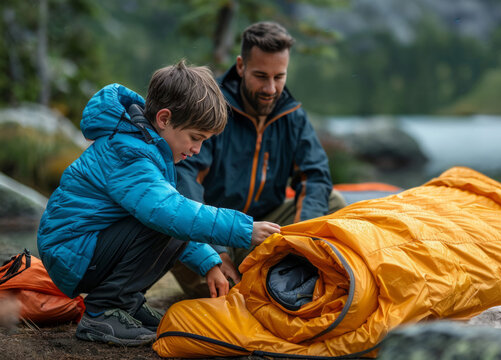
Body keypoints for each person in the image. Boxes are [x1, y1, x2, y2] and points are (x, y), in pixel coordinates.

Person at [37, 60, 280, 346]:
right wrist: (244, 229)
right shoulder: (129, 153)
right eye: (195, 138)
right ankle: (103, 312)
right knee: (167, 219)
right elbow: (169, 213)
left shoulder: (144, 145)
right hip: (73, 251)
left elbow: (171, 215)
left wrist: (209, 262)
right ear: (164, 119)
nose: (196, 150)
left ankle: (125, 303)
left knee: (172, 219)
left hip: (83, 248)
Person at [172, 22, 346, 296]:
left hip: (264, 229)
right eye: (261, 76)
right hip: (214, 232)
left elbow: (314, 177)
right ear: (241, 66)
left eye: (279, 77)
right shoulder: (212, 106)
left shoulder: (292, 116)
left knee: (334, 202)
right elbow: (184, 178)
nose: (271, 88)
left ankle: (285, 273)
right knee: (225, 290)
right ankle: (262, 285)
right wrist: (215, 253)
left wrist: (299, 246)